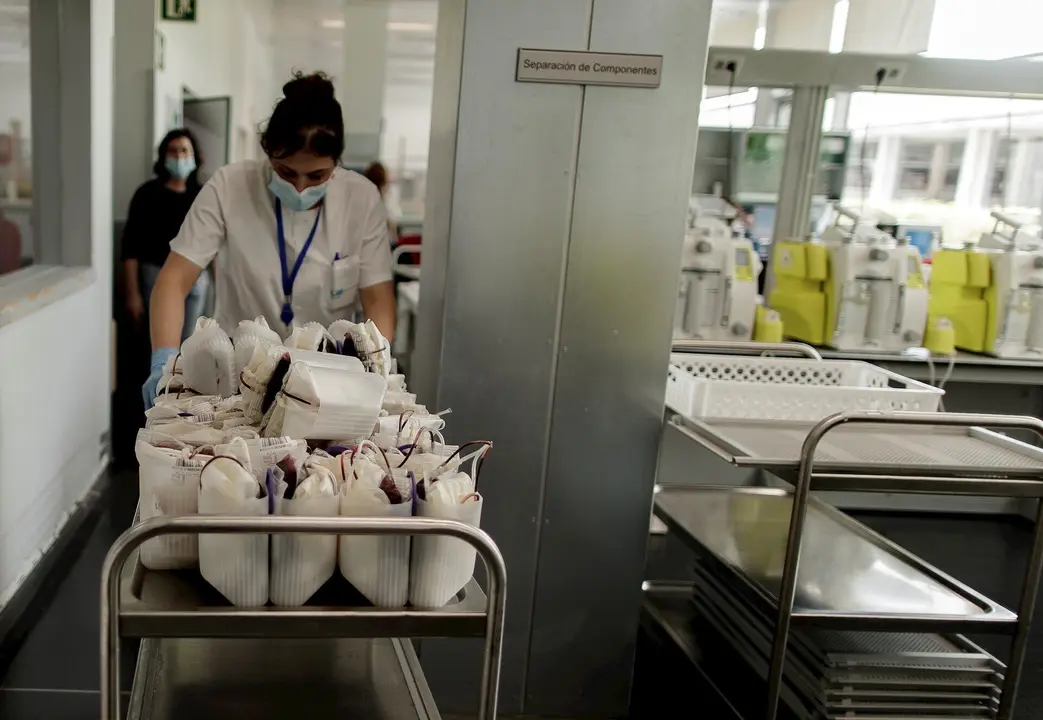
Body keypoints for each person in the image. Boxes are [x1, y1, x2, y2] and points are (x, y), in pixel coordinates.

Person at [142, 72, 396, 408]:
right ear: (268, 153)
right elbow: (174, 280)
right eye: (286, 172)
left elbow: (377, 298)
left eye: (317, 176)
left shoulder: (361, 200)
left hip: (327, 379)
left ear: (336, 165)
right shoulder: (230, 187)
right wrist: (164, 357)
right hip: (236, 377)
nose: (301, 188)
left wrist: (375, 366)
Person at [121, 129, 209, 335]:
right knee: (162, 343)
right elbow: (130, 247)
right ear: (163, 156)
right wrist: (132, 293)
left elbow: (213, 244)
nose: (179, 156)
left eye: (185, 151)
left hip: (196, 278)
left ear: (194, 155)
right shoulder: (146, 194)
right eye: (173, 151)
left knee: (190, 346)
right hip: (157, 276)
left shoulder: (203, 195)